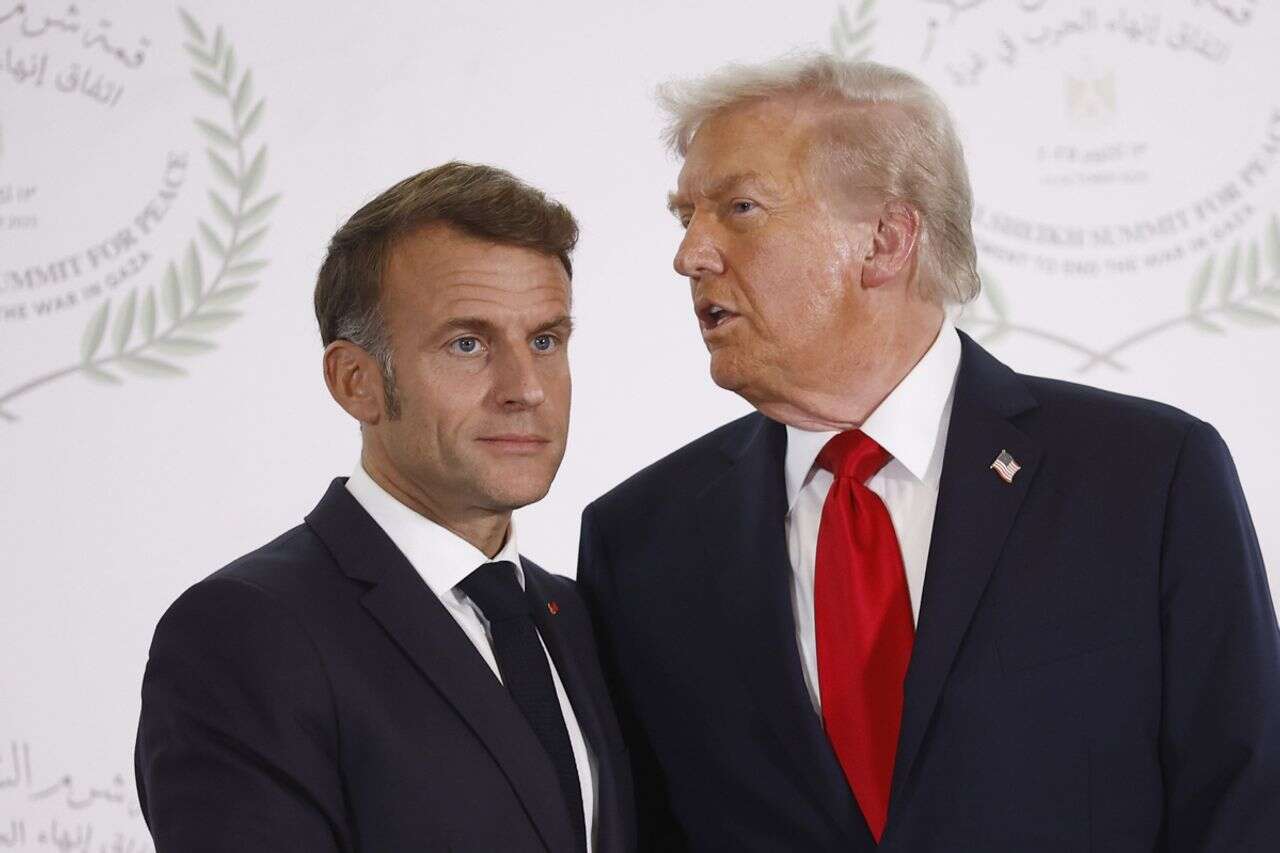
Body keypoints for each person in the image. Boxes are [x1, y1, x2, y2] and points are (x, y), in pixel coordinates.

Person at [578, 55, 1280, 851]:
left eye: (739, 208)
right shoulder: (640, 541)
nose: (691, 254)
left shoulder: (1148, 477)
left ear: (886, 240)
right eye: (686, 216)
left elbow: (1245, 806)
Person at [136, 162, 634, 852]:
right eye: (468, 343)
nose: (526, 388)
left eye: (545, 340)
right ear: (355, 381)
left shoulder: (578, 618)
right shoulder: (245, 632)